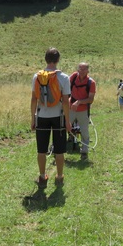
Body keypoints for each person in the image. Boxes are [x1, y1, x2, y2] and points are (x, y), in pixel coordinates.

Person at [31, 47, 71, 188]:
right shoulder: (64, 78)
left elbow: (33, 99)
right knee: (59, 150)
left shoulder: (37, 77)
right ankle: (59, 176)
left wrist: (33, 118)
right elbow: (66, 101)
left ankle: (42, 176)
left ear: (45, 59)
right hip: (58, 117)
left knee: (41, 150)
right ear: (58, 60)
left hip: (41, 115)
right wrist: (67, 121)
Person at [69, 62, 96, 161]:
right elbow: (65, 88)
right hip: (71, 108)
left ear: (88, 70)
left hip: (83, 111)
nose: (81, 71)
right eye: (80, 68)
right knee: (63, 128)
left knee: (84, 132)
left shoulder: (91, 83)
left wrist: (79, 102)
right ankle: (58, 150)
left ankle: (84, 152)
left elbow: (90, 99)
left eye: (84, 69)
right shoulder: (73, 77)